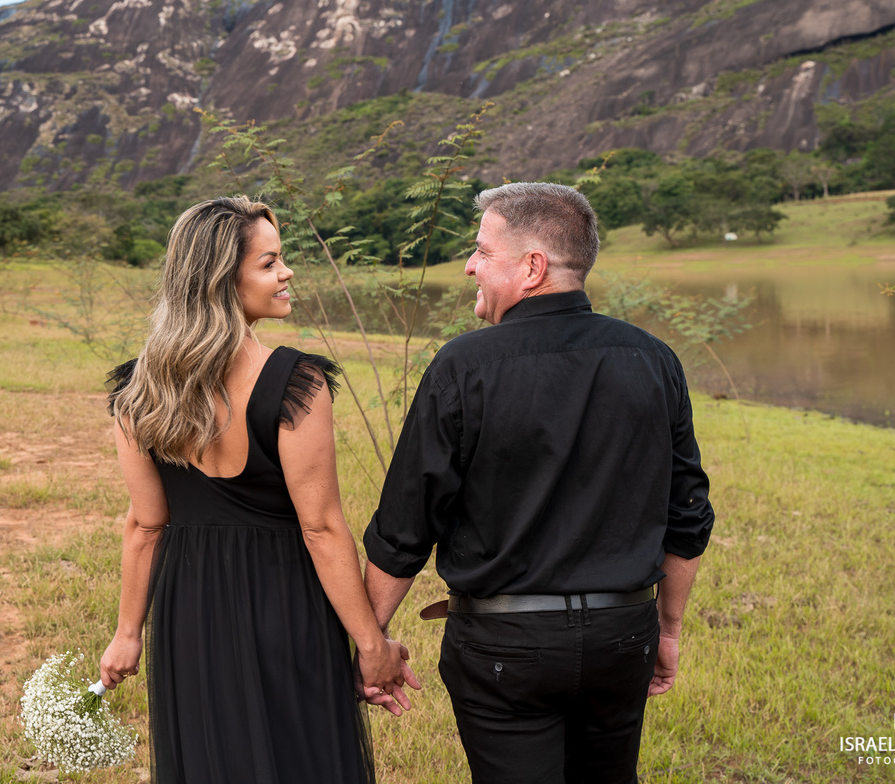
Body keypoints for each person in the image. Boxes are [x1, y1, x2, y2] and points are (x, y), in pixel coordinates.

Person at [360, 182, 715, 783]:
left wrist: (369, 644)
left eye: (481, 251)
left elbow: (405, 528)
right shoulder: (654, 360)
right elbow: (688, 515)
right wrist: (667, 627)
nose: (469, 264)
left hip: (505, 647)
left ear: (532, 267)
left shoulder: (463, 366)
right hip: (622, 636)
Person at [97, 196, 410, 784]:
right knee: (301, 759)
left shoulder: (138, 392)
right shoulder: (296, 382)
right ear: (221, 281)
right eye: (269, 263)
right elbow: (320, 528)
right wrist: (372, 644)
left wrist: (128, 634)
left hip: (189, 609)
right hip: (284, 605)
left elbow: (145, 524)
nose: (287, 273)